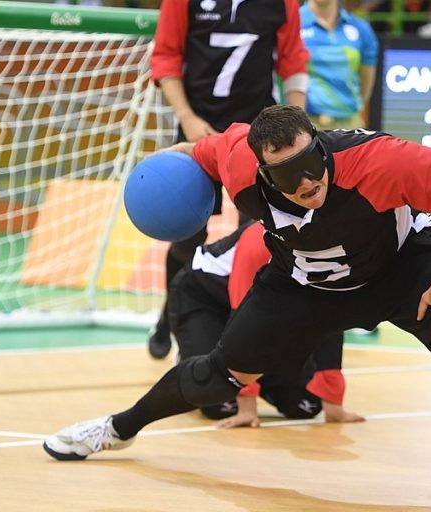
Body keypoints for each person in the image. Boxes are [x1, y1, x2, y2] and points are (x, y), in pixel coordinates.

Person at [43, 106, 431, 510]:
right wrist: (162, 168)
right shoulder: (238, 161)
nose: (308, 180)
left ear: (319, 144)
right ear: (261, 170)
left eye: (312, 162)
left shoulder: (377, 160)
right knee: (221, 375)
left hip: (397, 269)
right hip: (302, 285)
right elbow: (199, 150)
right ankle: (116, 429)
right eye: (288, 174)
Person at [145, 0, 311, 360]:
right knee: (186, 239)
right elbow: (166, 56)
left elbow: (293, 60)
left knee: (256, 238)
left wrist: (296, 118)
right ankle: (171, 317)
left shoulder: (282, 4)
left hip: (259, 136)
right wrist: (186, 116)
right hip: (197, 128)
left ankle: (240, 336)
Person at [167, 220, 364, 427]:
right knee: (219, 403)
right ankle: (197, 356)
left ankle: (247, 374)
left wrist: (334, 404)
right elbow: (242, 323)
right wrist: (247, 408)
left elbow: (330, 320)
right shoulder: (259, 239)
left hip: (258, 310)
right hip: (203, 297)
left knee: (306, 405)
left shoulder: (331, 248)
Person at [301, 0, 379, 130]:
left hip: (350, 124)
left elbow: (366, 84)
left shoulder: (361, 28)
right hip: (305, 125)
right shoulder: (292, 23)